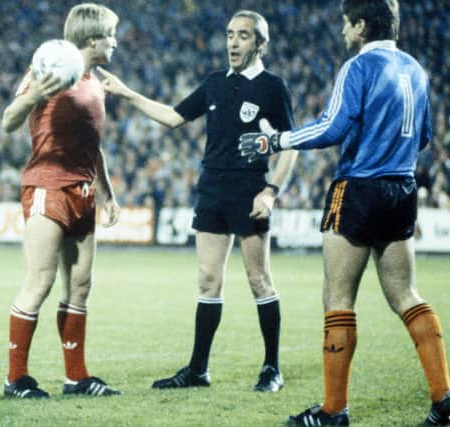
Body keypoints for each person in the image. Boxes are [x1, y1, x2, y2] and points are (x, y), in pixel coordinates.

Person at [238, 0, 450, 424]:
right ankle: (443, 395)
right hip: (402, 186)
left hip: (359, 187)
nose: (343, 32)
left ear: (360, 25)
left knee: (338, 297)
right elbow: (426, 136)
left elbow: (331, 126)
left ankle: (334, 410)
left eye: (346, 24)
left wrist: (276, 142)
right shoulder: (415, 69)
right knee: (405, 294)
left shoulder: (357, 67)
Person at [99, 10, 297, 392]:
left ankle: (272, 369)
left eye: (242, 36)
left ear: (261, 44)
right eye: (229, 35)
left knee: (259, 279)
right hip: (212, 189)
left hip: (249, 189)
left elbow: (292, 145)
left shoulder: (273, 87)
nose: (233, 42)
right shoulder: (215, 83)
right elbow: (174, 117)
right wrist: (126, 93)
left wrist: (271, 191)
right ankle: (198, 370)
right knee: (208, 280)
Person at [0, 3, 122, 399]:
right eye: (111, 35)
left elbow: (94, 146)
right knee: (40, 281)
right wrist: (32, 94)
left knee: (81, 286)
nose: (115, 42)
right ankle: (15, 379)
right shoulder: (50, 68)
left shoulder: (95, 82)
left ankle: (77, 377)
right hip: (47, 186)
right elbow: (9, 120)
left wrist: (108, 194)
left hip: (84, 192)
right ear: (92, 39)